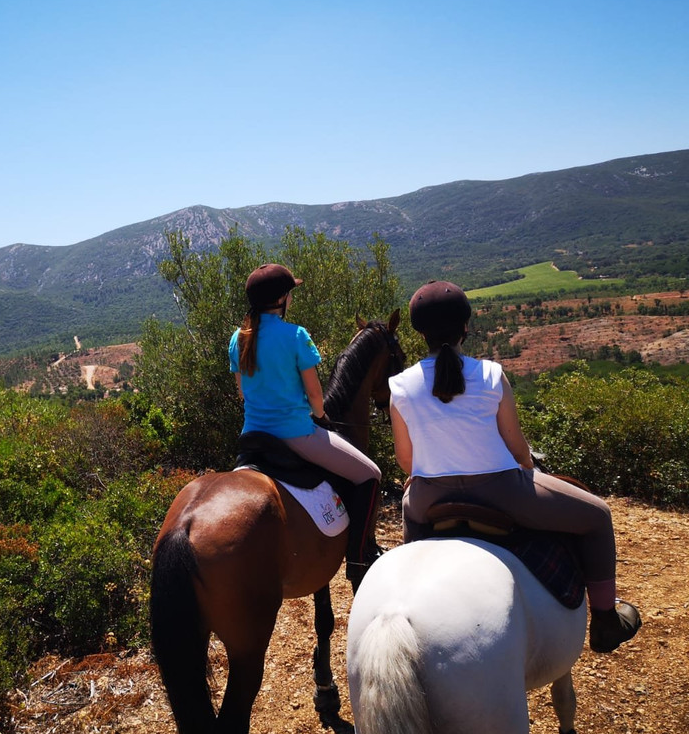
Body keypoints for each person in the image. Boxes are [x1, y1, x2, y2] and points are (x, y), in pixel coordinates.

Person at [389, 280, 641, 652]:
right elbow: (518, 448)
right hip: (502, 492)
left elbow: (406, 461)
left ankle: (405, 596)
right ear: (465, 327)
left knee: (409, 513)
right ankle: (605, 620)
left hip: (429, 498)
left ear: (420, 333)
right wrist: (528, 468)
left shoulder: (399, 386)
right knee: (599, 516)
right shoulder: (491, 375)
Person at [229, 263, 383, 593]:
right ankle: (359, 559)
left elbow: (242, 392)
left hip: (251, 438)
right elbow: (315, 395)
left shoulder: (237, 339)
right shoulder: (296, 335)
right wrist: (321, 416)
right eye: (290, 294)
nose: (291, 299)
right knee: (370, 474)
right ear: (281, 299)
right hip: (297, 434)